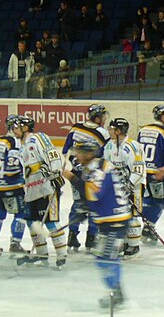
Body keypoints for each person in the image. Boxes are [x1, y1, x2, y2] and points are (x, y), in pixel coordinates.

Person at [62, 140, 129, 308]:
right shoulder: (95, 166)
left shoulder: (98, 168)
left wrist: (72, 178)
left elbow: (95, 192)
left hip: (115, 221)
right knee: (104, 257)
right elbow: (94, 196)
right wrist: (86, 209)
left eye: (79, 152)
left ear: (89, 154)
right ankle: (116, 290)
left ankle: (116, 293)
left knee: (105, 258)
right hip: (111, 219)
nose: (76, 155)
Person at [13, 116, 67, 268]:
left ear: (25, 127)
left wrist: (55, 173)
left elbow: (53, 155)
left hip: (46, 188)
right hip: (31, 190)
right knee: (32, 222)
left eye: (16, 127)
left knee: (50, 222)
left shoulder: (38, 138)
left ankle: (61, 254)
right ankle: (42, 254)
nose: (13, 131)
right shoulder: (21, 145)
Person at [62, 104, 110, 252]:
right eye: (102, 116)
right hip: (92, 175)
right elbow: (106, 154)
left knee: (77, 205)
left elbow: (66, 151)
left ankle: (72, 235)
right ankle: (91, 238)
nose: (104, 119)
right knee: (95, 206)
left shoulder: (76, 127)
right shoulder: (102, 133)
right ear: (97, 118)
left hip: (75, 174)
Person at [103, 118, 145, 258]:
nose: (109, 130)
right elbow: (106, 166)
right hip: (118, 186)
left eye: (112, 128)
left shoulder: (133, 146)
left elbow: (138, 170)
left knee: (132, 215)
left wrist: (129, 185)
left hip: (135, 186)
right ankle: (126, 241)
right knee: (121, 214)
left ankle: (134, 245)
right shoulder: (109, 145)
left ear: (118, 131)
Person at [0, 115, 28, 257]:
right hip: (13, 186)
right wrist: (24, 176)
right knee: (20, 214)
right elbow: (14, 167)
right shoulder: (17, 142)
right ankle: (15, 243)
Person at [137, 105, 164, 243]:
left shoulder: (143, 130)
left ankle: (144, 228)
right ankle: (148, 228)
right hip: (157, 172)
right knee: (160, 200)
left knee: (148, 199)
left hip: (142, 173)